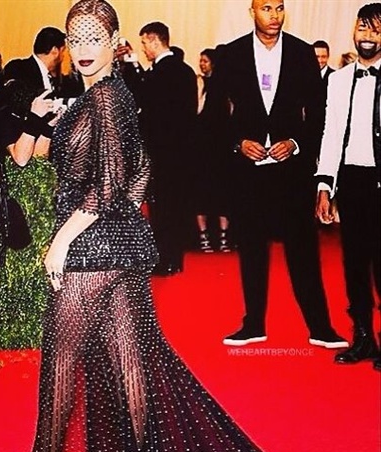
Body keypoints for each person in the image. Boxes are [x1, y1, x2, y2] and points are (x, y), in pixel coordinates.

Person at [9, 1, 366, 452]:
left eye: (96, 37)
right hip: (124, 247)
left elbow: (107, 185)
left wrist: (62, 240)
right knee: (134, 366)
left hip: (93, 249)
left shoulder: (105, 98)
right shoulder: (107, 96)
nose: (86, 47)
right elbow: (140, 172)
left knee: (63, 359)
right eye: (77, 37)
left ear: (115, 41)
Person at [212, 0, 348, 350]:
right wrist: (238, 143)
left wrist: (296, 143)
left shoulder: (303, 53)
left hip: (292, 172)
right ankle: (253, 324)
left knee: (304, 252)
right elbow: (214, 115)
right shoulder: (230, 55)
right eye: (266, 8)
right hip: (248, 172)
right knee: (251, 250)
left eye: (279, 8)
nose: (274, 15)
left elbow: (319, 114)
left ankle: (321, 327)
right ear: (252, 12)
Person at [315, 2, 381, 371]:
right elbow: (331, 134)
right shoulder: (338, 80)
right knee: (354, 264)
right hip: (352, 182)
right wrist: (325, 184)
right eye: (362, 28)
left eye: (376, 29)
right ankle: (363, 338)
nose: (367, 36)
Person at [138, 21, 198, 275]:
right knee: (177, 206)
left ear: (154, 40)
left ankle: (164, 260)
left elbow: (147, 110)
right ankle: (174, 258)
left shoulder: (158, 74)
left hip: (161, 151)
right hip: (183, 152)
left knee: (162, 208)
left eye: (144, 43)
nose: (144, 48)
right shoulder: (186, 71)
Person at [194, 48, 232, 253]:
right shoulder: (199, 83)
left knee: (222, 192)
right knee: (201, 192)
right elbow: (196, 110)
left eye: (205, 61)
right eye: (201, 60)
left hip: (222, 147)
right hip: (202, 147)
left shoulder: (225, 86)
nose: (202, 64)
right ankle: (204, 235)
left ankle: (224, 235)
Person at [4, 27, 83, 98]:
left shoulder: (58, 80)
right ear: (55, 50)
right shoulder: (18, 68)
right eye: (63, 51)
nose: (63, 56)